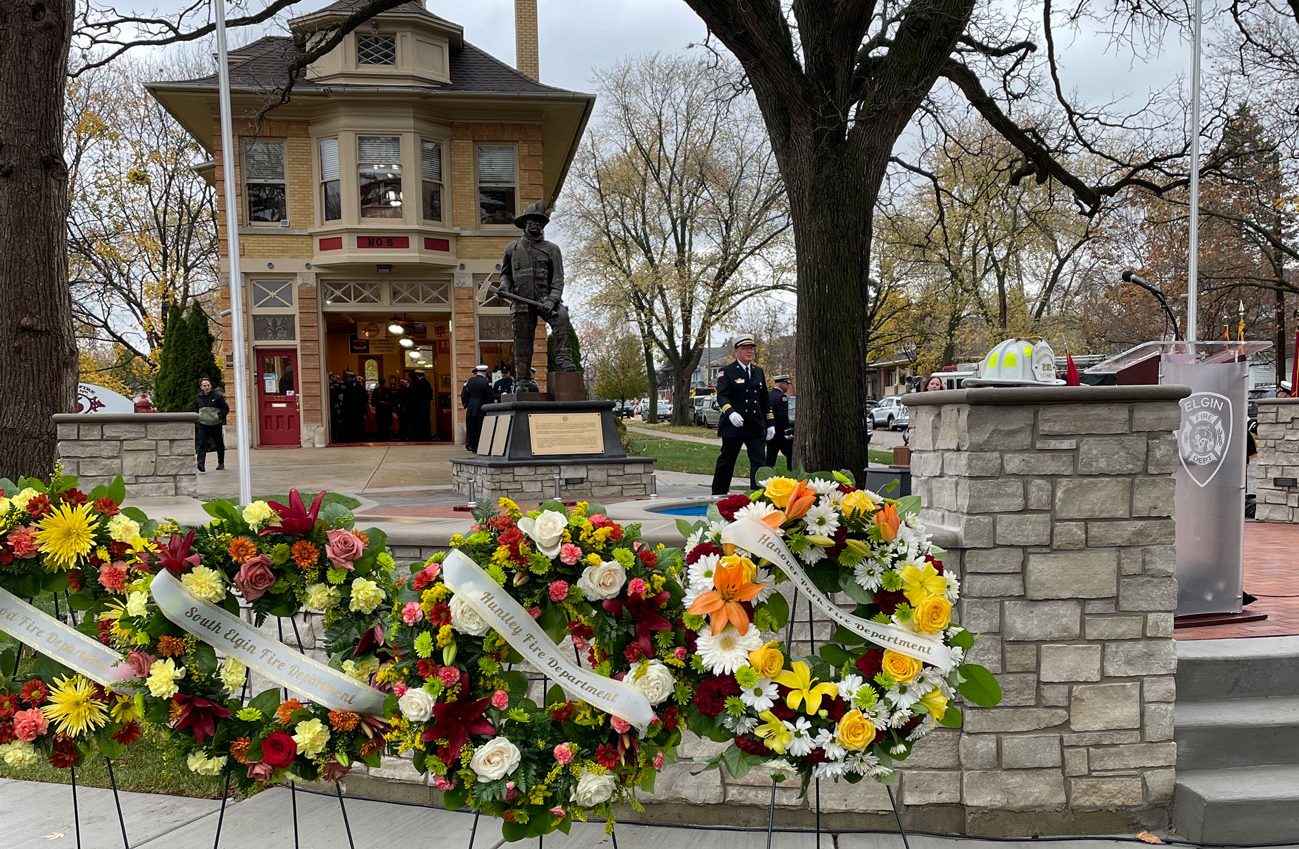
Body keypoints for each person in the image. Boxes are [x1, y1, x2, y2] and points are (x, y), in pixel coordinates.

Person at [498, 200, 577, 391]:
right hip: (521, 301)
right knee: (523, 342)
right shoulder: (512, 249)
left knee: (562, 319)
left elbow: (558, 279)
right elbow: (505, 274)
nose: (536, 224)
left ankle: (564, 361)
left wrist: (552, 299)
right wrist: (504, 286)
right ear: (525, 223)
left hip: (544, 298)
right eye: (532, 221)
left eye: (540, 222)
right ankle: (523, 380)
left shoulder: (552, 249)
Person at [711, 335, 773, 494]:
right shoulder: (727, 371)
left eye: (751, 348)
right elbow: (722, 396)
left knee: (759, 463)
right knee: (727, 461)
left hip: (755, 426)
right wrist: (730, 412)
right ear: (737, 351)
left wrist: (770, 423)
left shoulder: (758, 372)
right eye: (745, 348)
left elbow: (764, 399)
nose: (749, 351)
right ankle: (718, 494)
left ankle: (758, 496)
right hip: (734, 426)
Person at [194, 376, 229, 472]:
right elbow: (196, 409)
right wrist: (198, 418)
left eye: (208, 385)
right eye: (204, 385)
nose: (206, 387)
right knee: (202, 444)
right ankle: (200, 464)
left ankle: (221, 462)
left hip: (216, 424)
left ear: (211, 386)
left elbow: (225, 408)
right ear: (201, 387)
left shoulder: (218, 396)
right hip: (203, 424)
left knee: (219, 444)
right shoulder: (198, 398)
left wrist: (219, 416)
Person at [461, 364, 495, 452]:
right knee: (480, 427)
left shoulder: (469, 381)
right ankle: (479, 446)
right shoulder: (486, 382)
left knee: (471, 427)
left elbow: (464, 395)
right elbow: (489, 396)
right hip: (481, 407)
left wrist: (466, 405)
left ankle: (471, 445)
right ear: (485, 372)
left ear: (477, 372)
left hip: (471, 407)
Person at [767, 375, 794, 470]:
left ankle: (767, 475)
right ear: (782, 383)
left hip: (771, 431)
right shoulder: (782, 397)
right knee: (791, 454)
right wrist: (788, 430)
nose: (788, 387)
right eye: (787, 384)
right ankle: (791, 474)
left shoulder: (769, 395)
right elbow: (783, 416)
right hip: (781, 433)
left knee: (770, 457)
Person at [340, 371, 369, 443]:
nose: (345, 379)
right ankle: (358, 438)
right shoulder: (359, 387)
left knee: (352, 426)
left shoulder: (346, 387)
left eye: (347, 377)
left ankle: (353, 438)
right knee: (357, 426)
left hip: (350, 410)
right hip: (356, 411)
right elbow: (366, 398)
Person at [408, 370, 434, 440]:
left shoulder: (421, 383)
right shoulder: (426, 382)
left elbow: (416, 393)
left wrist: (408, 386)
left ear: (417, 376)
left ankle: (422, 437)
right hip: (424, 407)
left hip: (421, 407)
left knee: (422, 422)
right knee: (425, 421)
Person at [372, 377, 395, 441]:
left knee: (384, 426)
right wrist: (379, 403)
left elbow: (392, 401)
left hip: (385, 411)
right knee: (381, 426)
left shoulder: (387, 390)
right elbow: (373, 402)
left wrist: (384, 403)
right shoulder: (377, 390)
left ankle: (385, 438)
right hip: (381, 411)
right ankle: (383, 438)